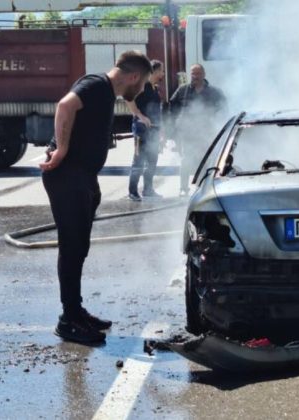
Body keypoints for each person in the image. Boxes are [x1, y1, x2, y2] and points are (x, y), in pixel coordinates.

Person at [40, 50, 152, 344]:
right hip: (67, 176)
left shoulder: (107, 91)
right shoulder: (95, 85)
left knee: (80, 247)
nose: (140, 92)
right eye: (141, 85)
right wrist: (62, 149)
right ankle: (69, 320)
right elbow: (64, 106)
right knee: (72, 246)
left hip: (82, 177)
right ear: (133, 77)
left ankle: (76, 311)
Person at [169, 64, 226, 196]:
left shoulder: (214, 92)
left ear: (204, 74)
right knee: (186, 160)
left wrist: (216, 121)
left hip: (207, 131)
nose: (194, 76)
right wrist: (176, 121)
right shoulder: (183, 90)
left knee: (206, 159)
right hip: (187, 132)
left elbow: (223, 107)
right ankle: (183, 188)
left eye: (198, 73)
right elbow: (172, 105)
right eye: (192, 73)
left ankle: (204, 187)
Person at [126, 59, 165, 201]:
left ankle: (148, 189)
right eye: (162, 70)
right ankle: (132, 191)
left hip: (154, 131)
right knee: (138, 162)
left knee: (152, 161)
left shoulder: (155, 88)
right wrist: (141, 116)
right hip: (141, 132)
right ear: (154, 71)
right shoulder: (142, 85)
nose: (163, 74)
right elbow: (129, 99)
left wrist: (162, 129)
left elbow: (158, 111)